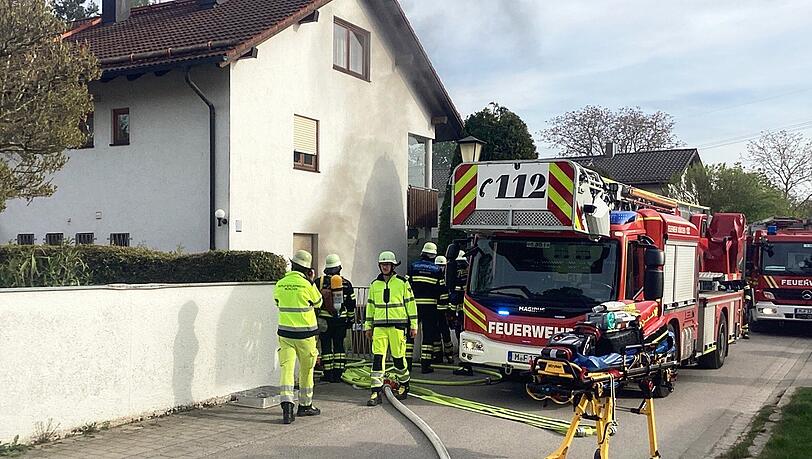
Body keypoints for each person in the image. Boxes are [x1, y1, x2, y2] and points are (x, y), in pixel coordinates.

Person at [274, 250, 323, 424]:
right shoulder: (307, 285)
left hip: (285, 335)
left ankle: (287, 407)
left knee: (287, 369)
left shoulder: (280, 283)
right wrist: (312, 281)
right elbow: (319, 302)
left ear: (292, 265)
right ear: (308, 270)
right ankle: (305, 405)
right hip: (306, 336)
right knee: (306, 370)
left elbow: (277, 302)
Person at [365, 251, 418, 406]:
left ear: (393, 266)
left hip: (397, 326)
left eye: (388, 264)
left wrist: (413, 325)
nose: (385, 267)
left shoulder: (402, 283)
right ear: (379, 266)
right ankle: (375, 390)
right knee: (377, 359)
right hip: (380, 327)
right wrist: (368, 326)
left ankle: (404, 383)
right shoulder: (374, 285)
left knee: (398, 359)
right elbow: (370, 307)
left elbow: (411, 305)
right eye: (383, 264)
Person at [314, 254, 356, 383]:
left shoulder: (319, 282)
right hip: (341, 320)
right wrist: (351, 320)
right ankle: (338, 374)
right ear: (339, 268)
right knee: (339, 347)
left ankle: (328, 374)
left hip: (324, 321)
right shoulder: (346, 284)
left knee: (326, 347)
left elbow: (314, 301)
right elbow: (351, 304)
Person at [407, 242, 446, 374]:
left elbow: (406, 285)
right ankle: (426, 365)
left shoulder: (413, 266)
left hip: (413, 306)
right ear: (433, 255)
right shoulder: (436, 270)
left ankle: (407, 364)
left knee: (410, 335)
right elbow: (442, 290)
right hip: (430, 308)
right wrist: (443, 308)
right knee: (428, 336)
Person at [449, 250, 473, 376]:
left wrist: (451, 312)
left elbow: (455, 295)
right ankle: (466, 363)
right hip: (470, 312)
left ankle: (465, 365)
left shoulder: (458, 276)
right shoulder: (469, 272)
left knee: (462, 337)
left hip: (461, 312)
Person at [434, 256, 454, 364]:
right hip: (436, 309)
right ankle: (438, 356)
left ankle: (449, 355)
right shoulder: (435, 276)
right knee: (436, 334)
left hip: (445, 310)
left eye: (442, 266)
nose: (440, 268)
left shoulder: (448, 277)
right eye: (439, 266)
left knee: (446, 333)